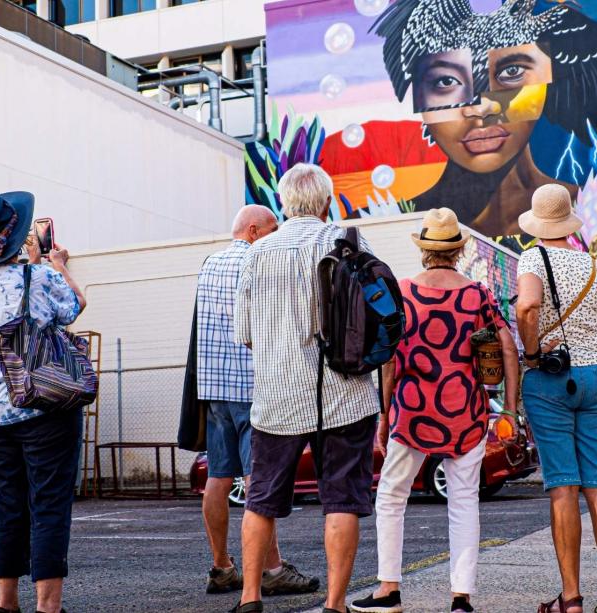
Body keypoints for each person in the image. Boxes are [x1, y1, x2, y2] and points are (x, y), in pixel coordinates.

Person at [349, 209, 519, 613]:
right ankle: (461, 598)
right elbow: (507, 347)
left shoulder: (403, 291)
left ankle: (388, 590)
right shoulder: (478, 293)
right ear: (458, 250)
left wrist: (385, 413)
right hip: (466, 410)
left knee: (391, 497)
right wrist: (510, 408)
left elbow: (388, 360)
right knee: (463, 502)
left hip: (412, 410)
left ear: (424, 251)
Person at [231, 164, 380, 613]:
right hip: (346, 394)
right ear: (327, 203)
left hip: (278, 396)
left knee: (261, 499)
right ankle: (334, 605)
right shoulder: (348, 243)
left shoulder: (257, 253)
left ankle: (250, 597)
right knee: (343, 500)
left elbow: (244, 332)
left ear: (284, 203)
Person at [371, 0, 597, 236]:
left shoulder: (593, 213)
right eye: (446, 80)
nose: (481, 108)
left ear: (550, 83)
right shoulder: (386, 223)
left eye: (511, 72)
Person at [0, 192, 87, 613]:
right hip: (44, 403)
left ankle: (5, 602)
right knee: (48, 502)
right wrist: (58, 264)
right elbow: (75, 307)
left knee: (9, 505)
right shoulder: (41, 278)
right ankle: (48, 607)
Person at [513, 185, 597, 613]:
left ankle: (572, 597)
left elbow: (527, 307)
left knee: (563, 486)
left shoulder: (531, 258)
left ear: (538, 223)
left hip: (550, 378)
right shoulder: (594, 266)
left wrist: (531, 353)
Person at [196, 205, 319, 597]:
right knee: (257, 479)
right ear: (253, 230)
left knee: (218, 477)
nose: (275, 234)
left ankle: (221, 566)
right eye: (272, 229)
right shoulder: (259, 260)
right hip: (252, 385)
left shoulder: (209, 264)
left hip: (214, 387)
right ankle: (273, 569)